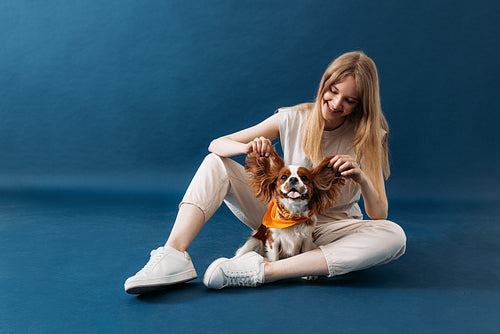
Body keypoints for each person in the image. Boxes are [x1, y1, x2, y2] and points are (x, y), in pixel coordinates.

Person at [124, 51, 406, 293]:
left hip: (334, 229)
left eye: (349, 100)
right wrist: (248, 147)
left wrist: (362, 178)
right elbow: (217, 144)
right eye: (332, 91)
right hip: (280, 218)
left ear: (361, 104)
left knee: (393, 235)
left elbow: (379, 213)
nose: (335, 104)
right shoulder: (294, 117)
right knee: (215, 162)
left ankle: (263, 271)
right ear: (324, 84)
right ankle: (175, 254)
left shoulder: (368, 136)